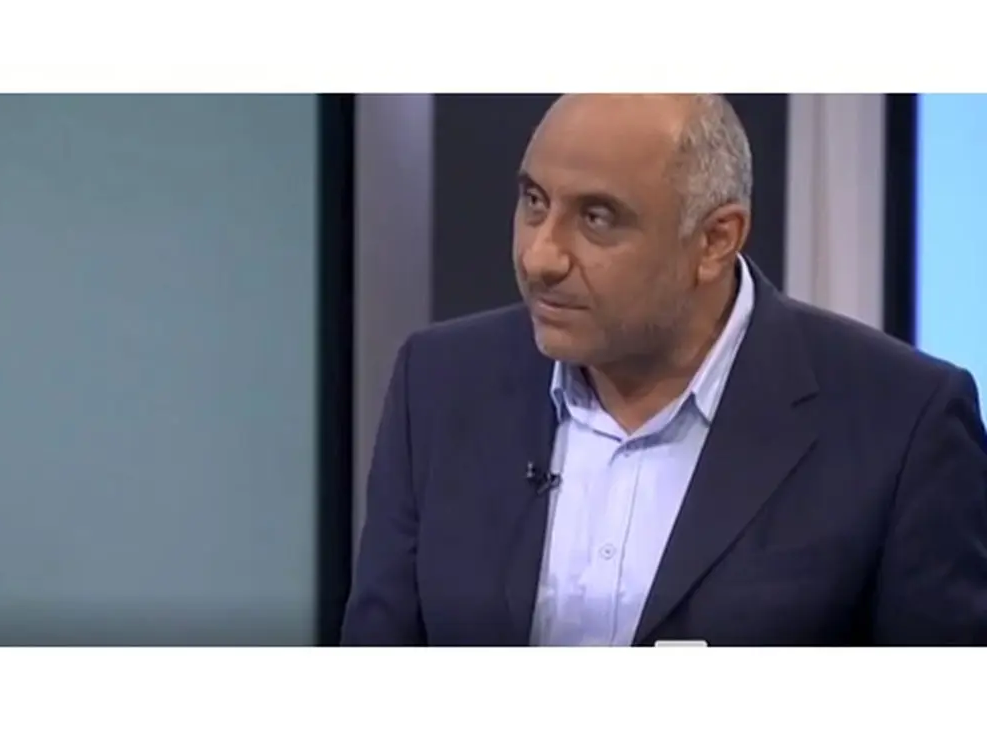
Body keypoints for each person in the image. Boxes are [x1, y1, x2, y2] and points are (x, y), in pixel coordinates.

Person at [340, 94, 987, 646]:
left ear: (715, 240)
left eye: (597, 218)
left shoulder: (903, 423)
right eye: (534, 201)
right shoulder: (440, 383)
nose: (540, 257)